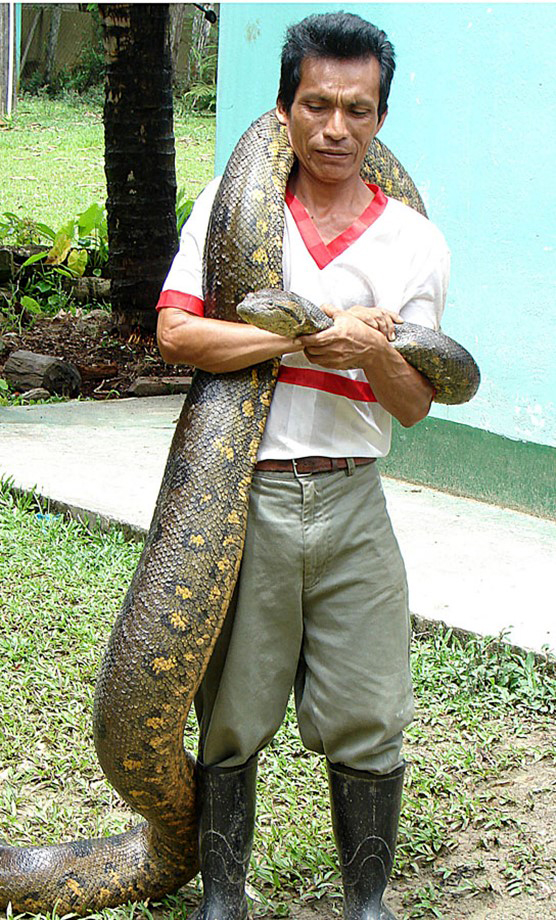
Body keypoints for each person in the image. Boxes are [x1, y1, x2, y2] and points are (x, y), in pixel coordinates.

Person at [156, 12, 450, 920]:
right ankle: (222, 901)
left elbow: (415, 403)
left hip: (354, 499)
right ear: (283, 109)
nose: (335, 128)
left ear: (379, 119)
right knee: (233, 712)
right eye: (316, 104)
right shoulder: (231, 209)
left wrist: (378, 356)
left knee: (369, 712)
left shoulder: (411, 241)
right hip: (245, 496)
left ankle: (367, 902)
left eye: (357, 110)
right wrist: (315, 338)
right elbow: (176, 333)